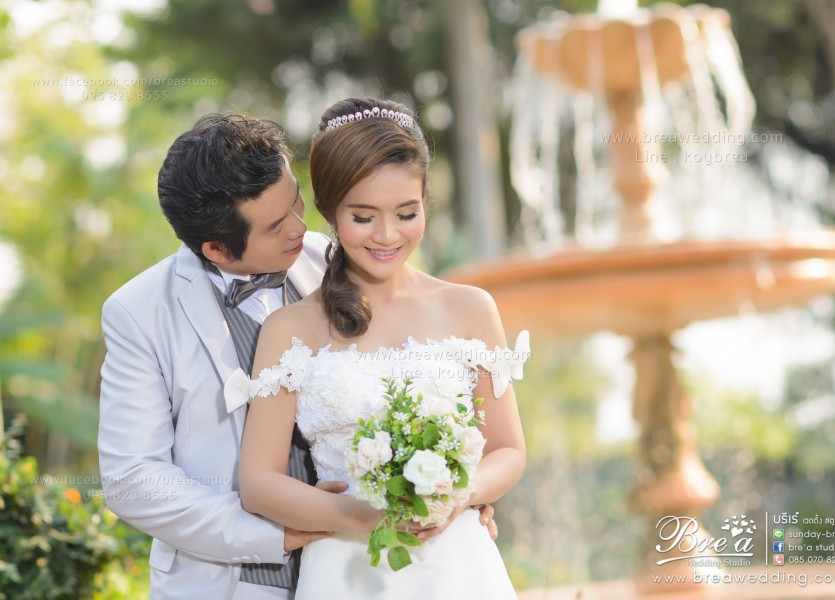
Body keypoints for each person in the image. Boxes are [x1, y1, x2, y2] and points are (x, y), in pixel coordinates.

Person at [98, 113, 497, 600]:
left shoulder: (348, 254)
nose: (300, 228)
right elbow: (133, 480)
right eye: (276, 225)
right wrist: (278, 533)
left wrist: (445, 487)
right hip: (235, 581)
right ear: (217, 249)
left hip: (379, 564)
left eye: (295, 202)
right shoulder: (140, 313)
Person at [235, 98, 527, 599]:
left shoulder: (470, 308)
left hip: (459, 565)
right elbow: (258, 482)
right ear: (329, 210)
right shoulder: (288, 329)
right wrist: (352, 513)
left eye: (407, 213)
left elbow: (508, 449)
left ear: (425, 203)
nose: (388, 235)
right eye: (363, 216)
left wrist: (461, 495)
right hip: (346, 569)